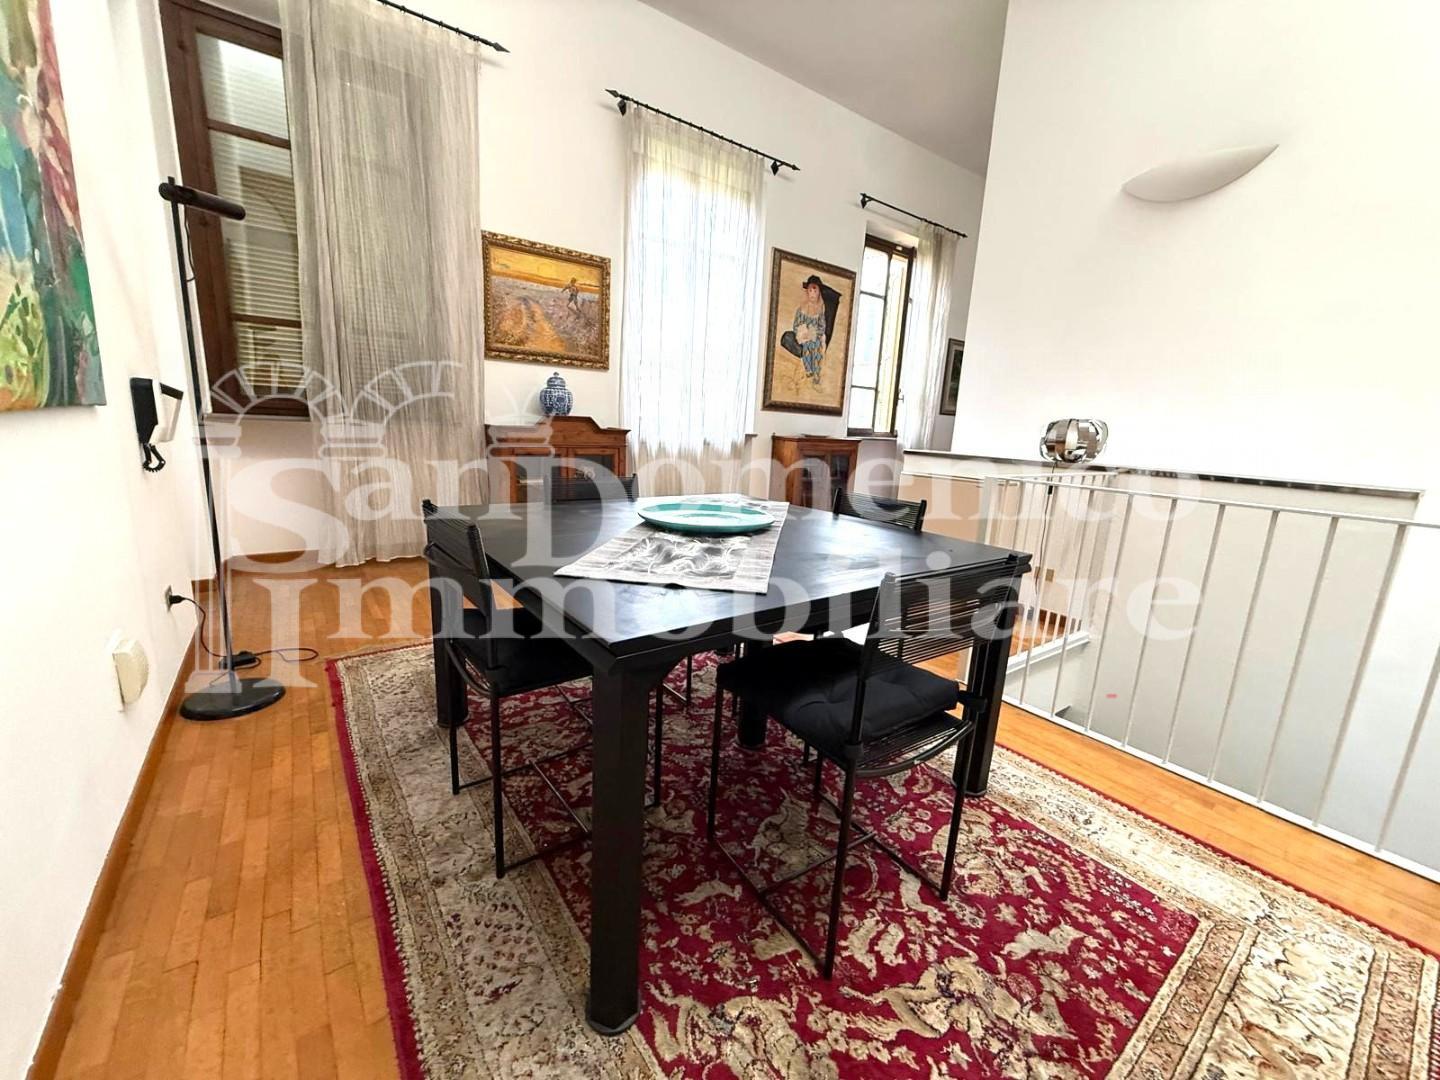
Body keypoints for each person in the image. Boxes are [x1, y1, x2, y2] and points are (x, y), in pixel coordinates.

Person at [791, 274, 828, 386]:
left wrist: (815, 333)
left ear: (819, 293)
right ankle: (809, 370)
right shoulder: (801, 309)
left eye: (815, 291)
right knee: (807, 346)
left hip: (815, 336)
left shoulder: (820, 311)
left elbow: (822, 326)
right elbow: (796, 325)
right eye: (810, 291)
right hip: (804, 336)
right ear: (807, 292)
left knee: (816, 346)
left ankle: (816, 374)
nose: (812, 294)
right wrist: (802, 332)